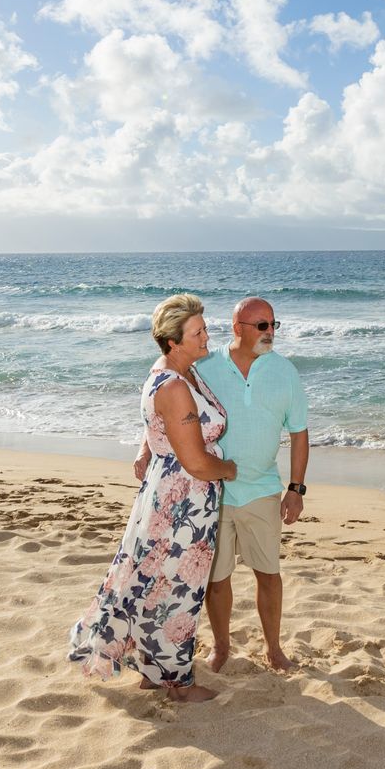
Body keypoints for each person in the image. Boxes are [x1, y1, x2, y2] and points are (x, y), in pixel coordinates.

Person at [69, 293, 238, 703]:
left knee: (160, 581)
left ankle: (153, 672)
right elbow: (197, 462)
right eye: (197, 332)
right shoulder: (176, 386)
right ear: (172, 341)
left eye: (204, 327)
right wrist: (230, 470)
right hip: (182, 502)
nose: (206, 336)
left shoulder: (177, 372)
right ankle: (178, 685)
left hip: (174, 494)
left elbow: (158, 429)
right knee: (178, 588)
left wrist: (147, 451)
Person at [188, 296, 309, 672]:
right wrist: (146, 449)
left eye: (273, 325)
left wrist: (296, 488)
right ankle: (221, 647)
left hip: (262, 490)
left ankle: (273, 649)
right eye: (262, 326)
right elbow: (170, 409)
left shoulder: (284, 371)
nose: (270, 333)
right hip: (213, 491)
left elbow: (300, 433)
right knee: (217, 577)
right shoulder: (204, 366)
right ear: (236, 327)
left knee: (268, 574)